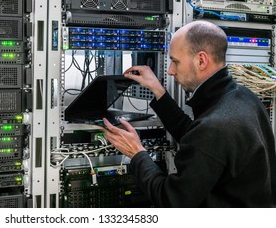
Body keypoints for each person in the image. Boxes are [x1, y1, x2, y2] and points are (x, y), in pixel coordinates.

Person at [103, 20, 276, 207]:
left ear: (201, 60)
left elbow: (171, 200)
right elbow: (199, 139)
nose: (170, 71)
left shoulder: (215, 126)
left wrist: (137, 153)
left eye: (175, 62)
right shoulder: (243, 97)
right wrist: (158, 91)